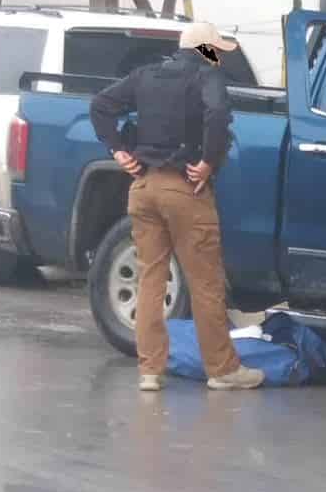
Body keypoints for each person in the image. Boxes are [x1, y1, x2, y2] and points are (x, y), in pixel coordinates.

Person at [90, 21, 264, 393]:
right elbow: (217, 115)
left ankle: (150, 371)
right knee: (205, 283)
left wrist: (118, 149)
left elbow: (101, 105)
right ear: (204, 49)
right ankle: (222, 370)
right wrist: (209, 161)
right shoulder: (206, 76)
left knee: (151, 279)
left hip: (144, 187)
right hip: (185, 190)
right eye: (215, 50)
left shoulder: (145, 75)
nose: (218, 57)